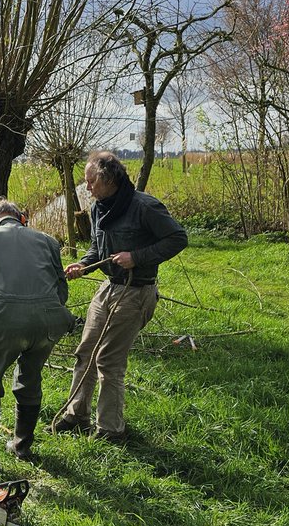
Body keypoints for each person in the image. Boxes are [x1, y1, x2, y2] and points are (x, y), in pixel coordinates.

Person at [52, 151, 188, 441]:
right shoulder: (98, 207)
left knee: (108, 361)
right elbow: (97, 251)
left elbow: (178, 238)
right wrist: (83, 266)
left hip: (136, 291)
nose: (86, 187)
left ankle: (111, 429)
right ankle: (76, 415)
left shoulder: (144, 207)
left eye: (90, 181)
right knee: (85, 352)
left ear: (108, 179)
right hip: (109, 288)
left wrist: (137, 257)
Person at [0, 197, 75, 474]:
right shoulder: (49, 241)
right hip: (49, 323)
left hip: (4, 322)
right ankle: (22, 447)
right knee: (30, 377)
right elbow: (62, 292)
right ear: (23, 218)